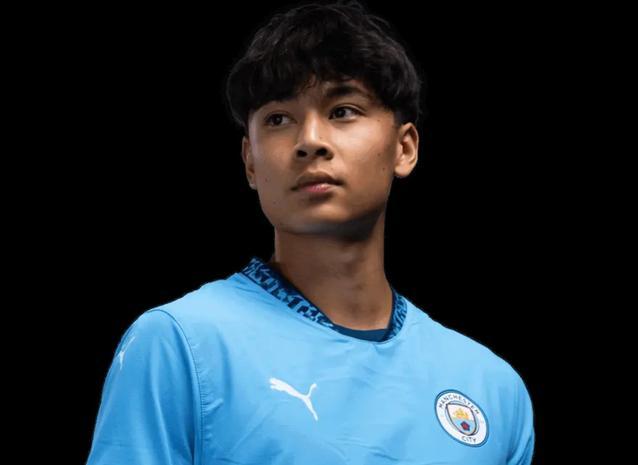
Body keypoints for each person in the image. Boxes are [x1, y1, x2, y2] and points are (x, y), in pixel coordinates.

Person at [86, 1, 535, 464]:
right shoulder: (180, 345)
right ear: (250, 162)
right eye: (278, 119)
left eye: (343, 111)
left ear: (404, 148)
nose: (310, 141)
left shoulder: (492, 390)